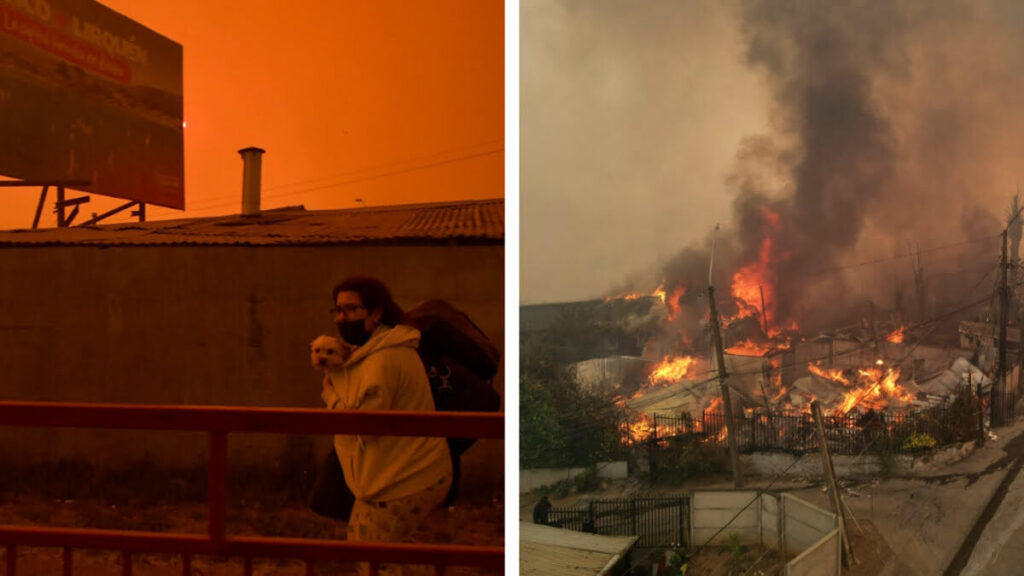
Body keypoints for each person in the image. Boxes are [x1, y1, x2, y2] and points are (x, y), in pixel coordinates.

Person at [321, 276, 453, 576]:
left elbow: (366, 424)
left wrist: (330, 393)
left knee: (373, 562)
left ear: (376, 313)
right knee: (374, 556)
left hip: (402, 479)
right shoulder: (379, 351)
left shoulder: (385, 359)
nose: (343, 318)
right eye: (338, 311)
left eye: (352, 309)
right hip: (398, 473)